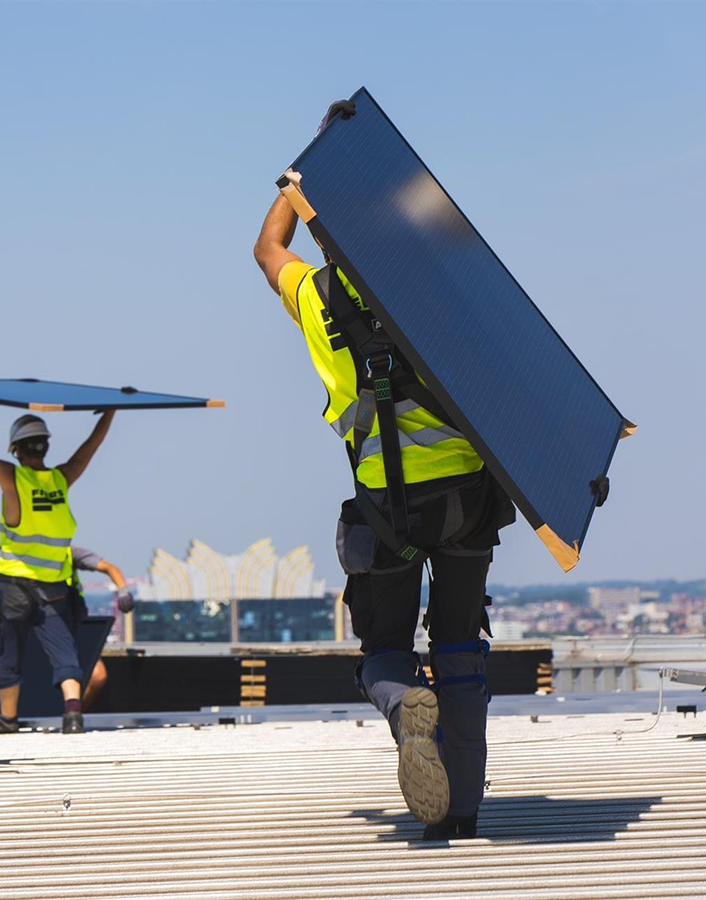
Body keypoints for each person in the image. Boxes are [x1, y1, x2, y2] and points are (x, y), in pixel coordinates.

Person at [252, 100, 515, 840]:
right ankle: (461, 812)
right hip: (468, 495)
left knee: (385, 648)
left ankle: (405, 706)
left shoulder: (317, 296)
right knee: (461, 645)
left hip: (389, 508)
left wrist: (298, 184)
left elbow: (267, 248)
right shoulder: (433, 287)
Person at [0, 408, 114, 734]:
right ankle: (72, 715)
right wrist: (109, 412)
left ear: (16, 449)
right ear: (46, 447)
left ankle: (8, 720)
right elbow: (91, 446)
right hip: (53, 587)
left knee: (7, 653)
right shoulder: (62, 479)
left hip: (13, 587)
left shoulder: (12, 479)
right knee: (64, 650)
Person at [0, 546, 135, 713]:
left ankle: (72, 712)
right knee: (15, 667)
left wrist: (123, 591)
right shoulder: (23, 559)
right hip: (34, 630)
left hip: (68, 626)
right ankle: (12, 717)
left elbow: (109, 567)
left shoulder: (69, 552)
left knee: (96, 675)